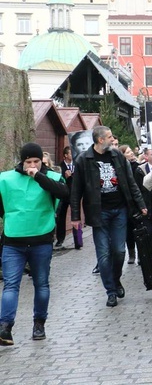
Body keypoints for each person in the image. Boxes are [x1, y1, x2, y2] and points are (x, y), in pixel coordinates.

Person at [70, 126, 148, 308]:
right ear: (100, 140)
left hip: (119, 210)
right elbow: (76, 191)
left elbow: (130, 182)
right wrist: (75, 216)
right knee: (104, 254)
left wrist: (141, 204)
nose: (113, 140)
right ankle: (111, 291)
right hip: (98, 213)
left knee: (119, 251)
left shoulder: (117, 156)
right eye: (110, 137)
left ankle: (116, 278)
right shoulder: (84, 160)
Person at [0, 143, 68, 346]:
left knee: (42, 284)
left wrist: (38, 176)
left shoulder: (52, 178)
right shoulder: (5, 178)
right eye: (28, 162)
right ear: (22, 161)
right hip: (14, 241)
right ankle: (5, 327)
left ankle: (39, 324)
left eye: (36, 162)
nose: (32, 165)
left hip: (41, 241)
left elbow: (64, 194)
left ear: (42, 161)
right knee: (11, 285)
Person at [54, 146, 75, 249]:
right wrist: (65, 177)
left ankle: (78, 240)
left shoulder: (76, 165)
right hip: (63, 195)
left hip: (74, 194)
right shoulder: (60, 166)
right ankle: (60, 239)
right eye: (70, 154)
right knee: (61, 217)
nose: (72, 155)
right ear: (66, 155)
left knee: (76, 216)